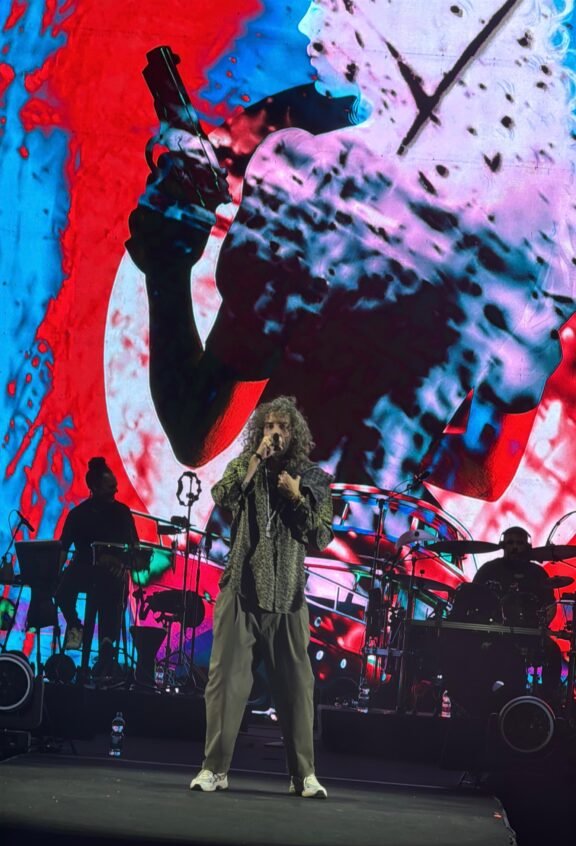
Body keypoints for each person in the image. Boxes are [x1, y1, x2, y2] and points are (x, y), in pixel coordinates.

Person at [125, 0, 574, 503]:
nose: (308, 21)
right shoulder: (539, 237)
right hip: (390, 543)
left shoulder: (306, 172)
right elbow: (485, 474)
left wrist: (166, 263)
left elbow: (196, 432)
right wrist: (389, 447)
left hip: (275, 530)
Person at [189, 397, 333, 798]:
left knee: (296, 688)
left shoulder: (312, 477)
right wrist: (255, 459)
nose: (275, 433)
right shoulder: (246, 465)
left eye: (282, 427)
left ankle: (303, 775)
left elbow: (321, 535)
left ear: (294, 434)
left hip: (288, 595)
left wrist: (296, 497)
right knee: (225, 684)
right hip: (242, 589)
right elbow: (223, 496)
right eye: (268, 426)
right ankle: (214, 769)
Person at [444, 526, 562, 715]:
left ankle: (546, 703)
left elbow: (550, 605)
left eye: (519, 543)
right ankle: (480, 704)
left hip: (529, 633)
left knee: (554, 653)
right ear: (503, 545)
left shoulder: (537, 573)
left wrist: (541, 626)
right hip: (494, 633)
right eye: (510, 543)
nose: (515, 547)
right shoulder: (489, 569)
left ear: (528, 546)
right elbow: (472, 598)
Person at [55, 457, 139, 673]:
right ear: (94, 487)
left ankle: (106, 647)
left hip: (112, 574)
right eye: (110, 488)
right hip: (83, 570)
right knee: (61, 590)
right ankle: (75, 625)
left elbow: (135, 548)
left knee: (113, 591)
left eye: (115, 487)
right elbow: (63, 548)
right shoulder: (78, 514)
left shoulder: (122, 512)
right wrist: (54, 573)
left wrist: (122, 564)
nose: (115, 491)